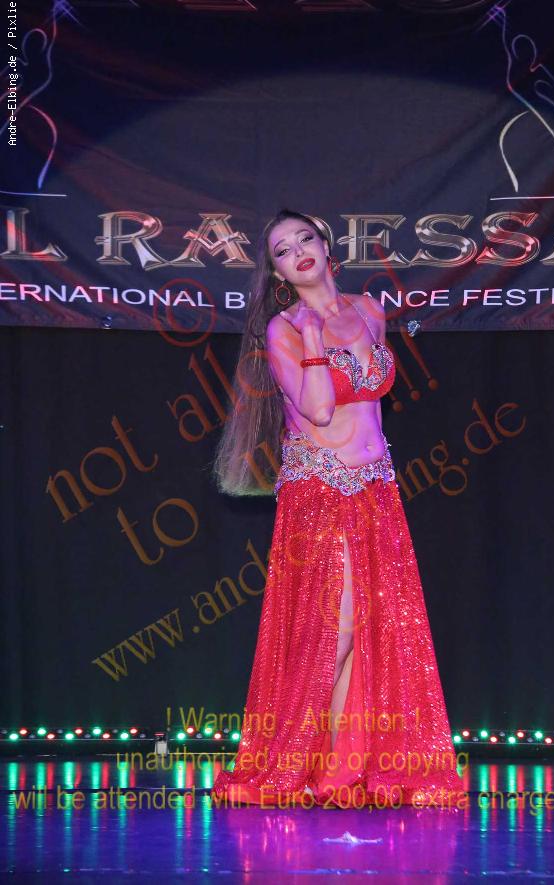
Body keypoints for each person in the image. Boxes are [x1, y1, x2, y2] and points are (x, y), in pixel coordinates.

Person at [209, 209, 466, 810]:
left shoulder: (371, 309)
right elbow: (320, 410)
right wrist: (314, 334)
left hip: (376, 486)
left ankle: (339, 772)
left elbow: (374, 390)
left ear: (326, 247)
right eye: (282, 250)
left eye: (304, 238)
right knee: (339, 627)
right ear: (277, 273)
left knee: (372, 627)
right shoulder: (284, 330)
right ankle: (292, 760)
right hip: (321, 490)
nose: (297, 251)